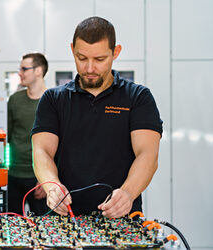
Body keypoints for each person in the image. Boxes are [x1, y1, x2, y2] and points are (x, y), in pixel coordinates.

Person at [31, 16, 163, 218]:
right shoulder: (53, 99)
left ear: (115, 52)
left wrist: (128, 193)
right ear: (72, 49)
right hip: (65, 216)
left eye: (99, 59)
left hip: (120, 216)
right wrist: (52, 186)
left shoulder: (138, 97)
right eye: (81, 58)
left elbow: (148, 155)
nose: (90, 68)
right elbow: (42, 151)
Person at [7, 53, 48, 215]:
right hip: (14, 175)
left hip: (40, 178)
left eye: (24, 69)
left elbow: (62, 144)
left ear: (38, 71)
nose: (20, 73)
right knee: (12, 226)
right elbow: (7, 137)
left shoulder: (53, 100)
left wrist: (48, 179)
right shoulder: (15, 100)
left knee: (44, 228)